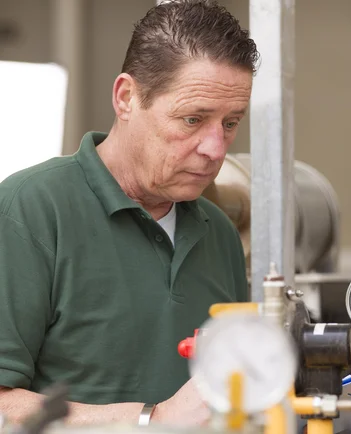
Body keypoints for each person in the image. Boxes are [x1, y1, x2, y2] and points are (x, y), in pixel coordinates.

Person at [0, 0, 258, 426]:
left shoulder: (221, 234)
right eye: (193, 119)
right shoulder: (28, 210)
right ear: (126, 98)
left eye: (230, 123)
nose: (216, 148)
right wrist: (151, 420)